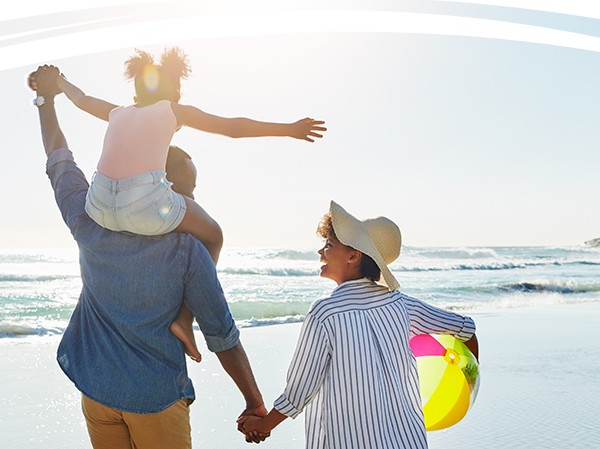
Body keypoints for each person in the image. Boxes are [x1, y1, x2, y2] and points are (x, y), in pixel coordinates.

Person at [30, 64, 267, 448]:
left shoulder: (87, 218)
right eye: (188, 190)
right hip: (154, 399)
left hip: (97, 391)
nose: (191, 200)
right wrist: (254, 402)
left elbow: (58, 157)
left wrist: (45, 99)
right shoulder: (188, 250)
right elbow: (221, 333)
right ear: (166, 188)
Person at [37, 48, 326, 363]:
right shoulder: (174, 110)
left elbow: (80, 98)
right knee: (213, 234)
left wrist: (59, 80)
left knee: (153, 205)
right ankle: (185, 319)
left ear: (135, 89)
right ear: (175, 90)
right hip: (144, 206)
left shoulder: (117, 112)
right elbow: (233, 128)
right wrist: (289, 129)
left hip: (98, 204)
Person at [237, 202, 480, 447]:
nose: (320, 252)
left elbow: (301, 388)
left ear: (354, 256)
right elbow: (465, 329)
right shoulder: (402, 305)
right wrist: (467, 382)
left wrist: (264, 425)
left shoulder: (325, 313)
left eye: (329, 245)